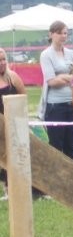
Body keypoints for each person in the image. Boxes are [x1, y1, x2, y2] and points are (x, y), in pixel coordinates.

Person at [39, 20, 73, 160]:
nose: (63, 36)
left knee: (71, 145)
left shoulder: (72, 54)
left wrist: (62, 76)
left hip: (72, 104)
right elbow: (52, 81)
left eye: (65, 33)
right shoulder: (46, 55)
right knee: (56, 145)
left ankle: (72, 179)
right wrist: (68, 78)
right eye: (59, 33)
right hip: (55, 106)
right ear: (51, 34)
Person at [0, 48, 27, 200]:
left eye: (4, 59)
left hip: (14, 123)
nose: (2, 63)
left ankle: (12, 187)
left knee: (15, 155)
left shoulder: (13, 77)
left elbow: (23, 96)